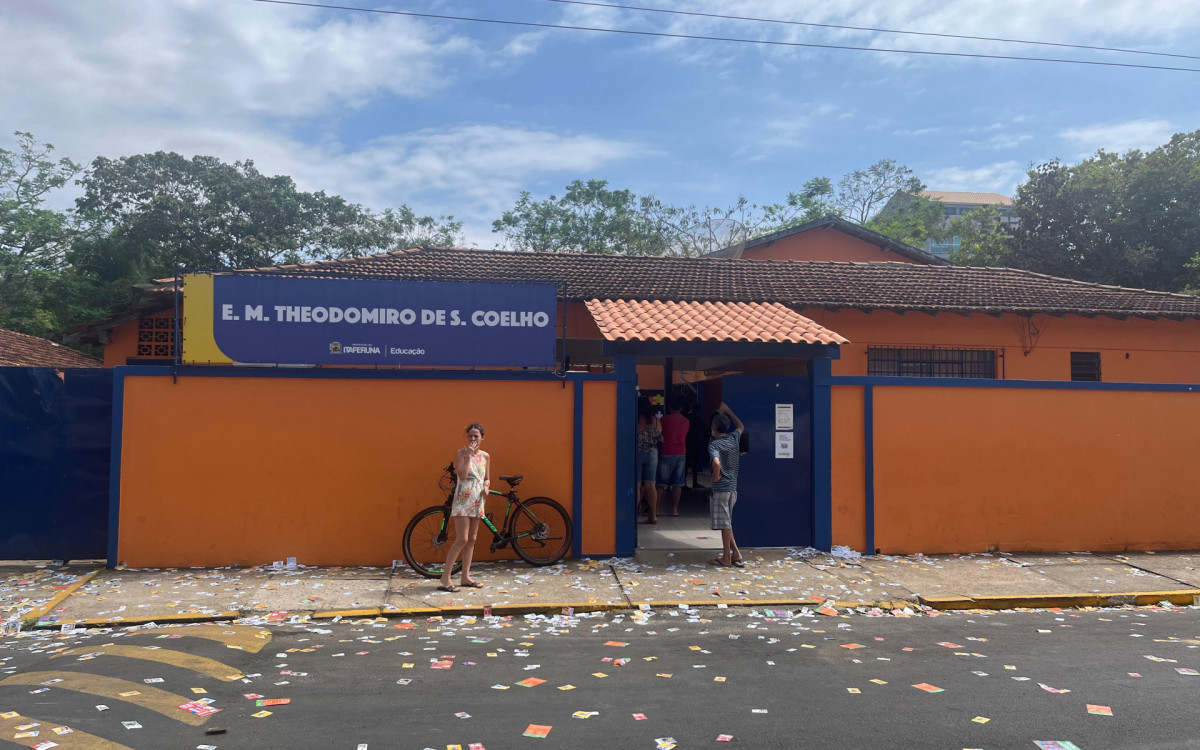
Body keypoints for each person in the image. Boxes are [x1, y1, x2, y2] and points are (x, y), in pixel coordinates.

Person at [439, 423, 491, 593]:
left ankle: (465, 576)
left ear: (483, 437)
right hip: (463, 498)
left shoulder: (486, 456)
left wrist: (487, 487)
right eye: (470, 436)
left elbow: (487, 478)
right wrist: (468, 457)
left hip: (478, 499)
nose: (473, 439)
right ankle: (446, 576)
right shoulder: (461, 453)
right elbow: (461, 475)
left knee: (472, 539)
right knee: (462, 538)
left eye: (476, 436)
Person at [707, 402, 745, 568]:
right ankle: (736, 553)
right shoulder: (734, 439)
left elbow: (716, 462)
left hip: (721, 489)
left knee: (725, 524)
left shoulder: (714, 444)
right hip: (733, 489)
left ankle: (726, 558)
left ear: (714, 427)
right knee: (727, 523)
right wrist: (729, 410)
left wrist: (716, 476)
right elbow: (741, 426)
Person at [656, 399, 689, 516]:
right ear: (681, 408)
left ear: (670, 407)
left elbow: (658, 433)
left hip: (666, 451)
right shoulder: (686, 421)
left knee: (661, 483)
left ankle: (657, 509)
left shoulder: (663, 419)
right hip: (681, 453)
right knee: (678, 483)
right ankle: (674, 510)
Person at [635, 400, 662, 523]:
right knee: (651, 485)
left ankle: (634, 514)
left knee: (637, 484)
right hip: (652, 454)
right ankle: (653, 515)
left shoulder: (635, 418)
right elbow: (659, 436)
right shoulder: (656, 420)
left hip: (637, 453)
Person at [685, 402, 708, 488]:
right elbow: (704, 431)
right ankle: (694, 482)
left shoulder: (686, 418)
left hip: (686, 442)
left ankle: (684, 483)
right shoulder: (698, 420)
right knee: (694, 462)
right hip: (695, 442)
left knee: (686, 463)